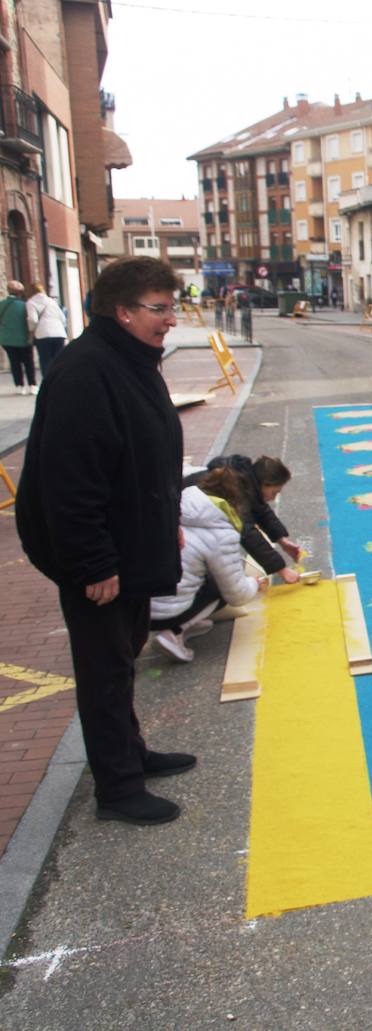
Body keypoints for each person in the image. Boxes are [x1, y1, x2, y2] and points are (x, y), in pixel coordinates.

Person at [16, 257, 191, 826]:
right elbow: (71, 483)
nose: (170, 319)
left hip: (131, 544)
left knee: (122, 659)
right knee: (104, 671)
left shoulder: (127, 360)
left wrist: (168, 524)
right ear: (122, 311)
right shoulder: (87, 372)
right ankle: (117, 788)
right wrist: (92, 562)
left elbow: (144, 457)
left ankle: (132, 756)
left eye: (171, 307)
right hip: (100, 558)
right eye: (159, 308)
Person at [150, 466, 266, 662]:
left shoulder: (176, 504)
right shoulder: (220, 531)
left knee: (203, 571)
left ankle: (189, 623)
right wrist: (254, 583)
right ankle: (174, 633)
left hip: (136, 606)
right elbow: (237, 594)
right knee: (223, 587)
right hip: (164, 614)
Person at [184, 455, 301, 584]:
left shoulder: (246, 479)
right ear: (265, 484)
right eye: (274, 492)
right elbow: (247, 533)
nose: (273, 498)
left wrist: (282, 541)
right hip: (181, 521)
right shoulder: (236, 488)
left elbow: (261, 510)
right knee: (216, 586)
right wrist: (282, 570)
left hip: (188, 515)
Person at [26, 282, 69, 381]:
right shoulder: (51, 301)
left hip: (43, 334)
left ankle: (49, 381)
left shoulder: (31, 302)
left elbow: (33, 319)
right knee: (59, 358)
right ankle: (61, 379)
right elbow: (62, 317)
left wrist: (31, 329)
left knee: (45, 360)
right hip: (59, 332)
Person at [1, 279, 35, 395]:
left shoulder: (2, 305)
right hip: (24, 338)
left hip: (7, 339)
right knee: (28, 362)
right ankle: (32, 384)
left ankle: (19, 386)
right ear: (20, 292)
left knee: (14, 363)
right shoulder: (26, 305)